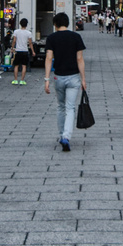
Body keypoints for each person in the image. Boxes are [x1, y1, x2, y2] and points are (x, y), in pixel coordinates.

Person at [43, 11, 86, 151]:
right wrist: (83, 79)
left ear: (55, 24)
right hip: (73, 77)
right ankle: (66, 137)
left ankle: (62, 135)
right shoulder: (76, 37)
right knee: (70, 108)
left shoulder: (51, 38)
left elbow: (49, 58)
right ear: (68, 23)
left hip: (58, 77)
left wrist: (47, 79)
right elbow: (80, 59)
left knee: (60, 107)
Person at [11, 18, 35, 86]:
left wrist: (12, 48)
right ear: (26, 25)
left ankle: (15, 80)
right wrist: (33, 51)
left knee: (16, 65)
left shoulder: (16, 32)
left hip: (18, 51)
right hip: (25, 51)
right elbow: (30, 43)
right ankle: (22, 80)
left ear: (20, 24)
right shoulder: (28, 33)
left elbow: (14, 41)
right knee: (24, 66)